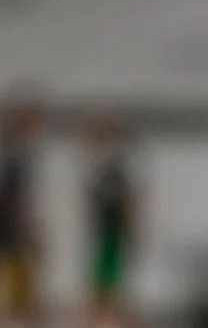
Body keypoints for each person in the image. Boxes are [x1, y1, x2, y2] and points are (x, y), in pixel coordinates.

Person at [81, 111, 140, 328]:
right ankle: (102, 311)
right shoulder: (97, 161)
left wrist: (133, 224)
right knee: (101, 274)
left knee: (109, 275)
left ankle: (108, 313)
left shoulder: (115, 162)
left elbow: (129, 197)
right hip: (102, 226)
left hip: (112, 226)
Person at [0, 93, 45, 328]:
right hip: (14, 233)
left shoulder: (17, 154)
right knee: (18, 289)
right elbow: (16, 198)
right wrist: (28, 230)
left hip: (13, 231)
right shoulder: (16, 156)